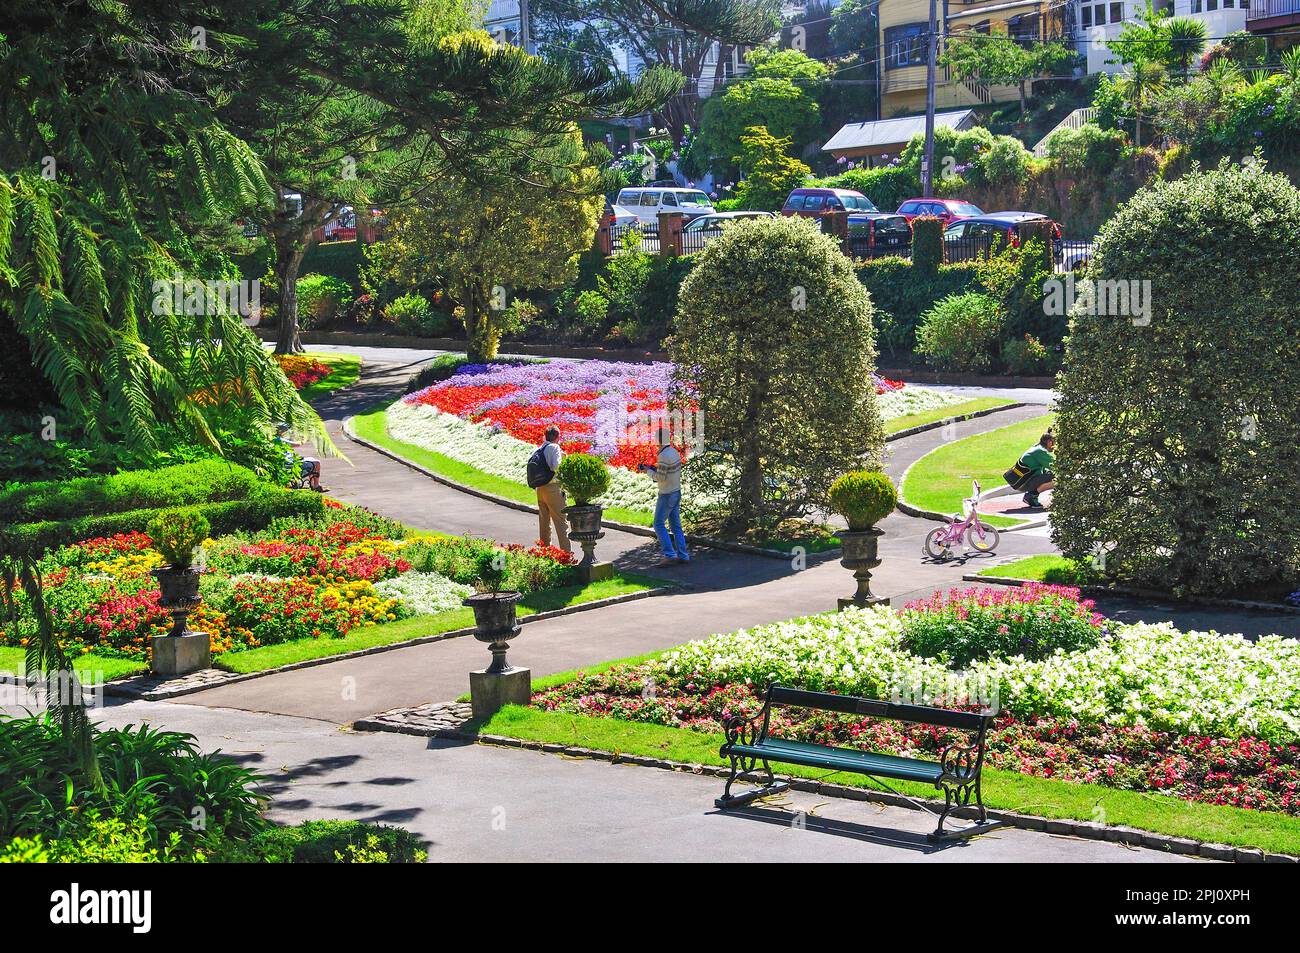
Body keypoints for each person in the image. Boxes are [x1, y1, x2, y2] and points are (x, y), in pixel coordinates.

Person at [639, 427, 688, 566]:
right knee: (676, 525)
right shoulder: (674, 452)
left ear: (657, 440)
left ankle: (669, 554)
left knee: (658, 524)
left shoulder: (663, 455)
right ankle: (683, 555)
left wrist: (648, 471)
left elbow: (660, 478)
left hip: (666, 494)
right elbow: (668, 473)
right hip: (676, 491)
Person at [527, 425, 571, 554]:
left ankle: (545, 552)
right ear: (557, 436)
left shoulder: (540, 448)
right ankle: (566, 555)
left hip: (540, 488)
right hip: (553, 488)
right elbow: (556, 467)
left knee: (544, 522)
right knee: (561, 521)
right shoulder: (554, 447)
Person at [1004, 430, 1055, 508]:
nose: (1054, 446)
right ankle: (1031, 496)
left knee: (1050, 474)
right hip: (1024, 483)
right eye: (1053, 443)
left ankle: (1031, 495)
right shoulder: (1040, 451)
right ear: (1049, 442)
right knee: (1058, 477)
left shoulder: (1036, 447)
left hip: (1024, 480)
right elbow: (1055, 466)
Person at [275, 423, 327, 492]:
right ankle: (316, 485)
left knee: (310, 460)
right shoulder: (279, 440)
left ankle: (312, 484)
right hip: (291, 466)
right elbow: (297, 444)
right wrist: (304, 439)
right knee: (317, 463)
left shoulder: (272, 440)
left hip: (285, 465)